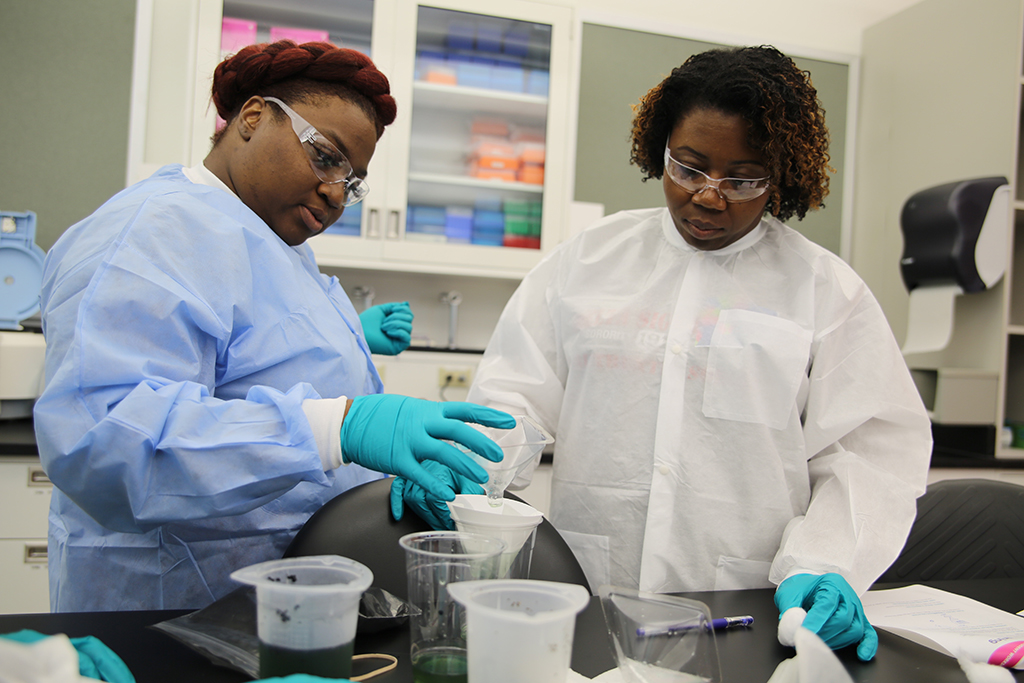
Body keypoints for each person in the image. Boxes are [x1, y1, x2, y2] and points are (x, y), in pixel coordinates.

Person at [466, 45, 932, 661]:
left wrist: (824, 561)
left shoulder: (824, 289)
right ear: (659, 148)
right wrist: (470, 473)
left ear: (783, 174)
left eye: (743, 180)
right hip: (592, 597)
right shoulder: (588, 263)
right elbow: (515, 399)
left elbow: (868, 453)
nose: (710, 198)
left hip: (744, 610)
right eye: (688, 168)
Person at [33, 40, 513, 613]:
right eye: (327, 156)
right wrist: (340, 429)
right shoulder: (151, 232)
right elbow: (107, 443)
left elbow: (264, 380)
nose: (336, 192)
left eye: (353, 180)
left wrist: (380, 470)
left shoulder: (274, 245)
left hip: (282, 611)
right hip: (171, 609)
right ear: (253, 117)